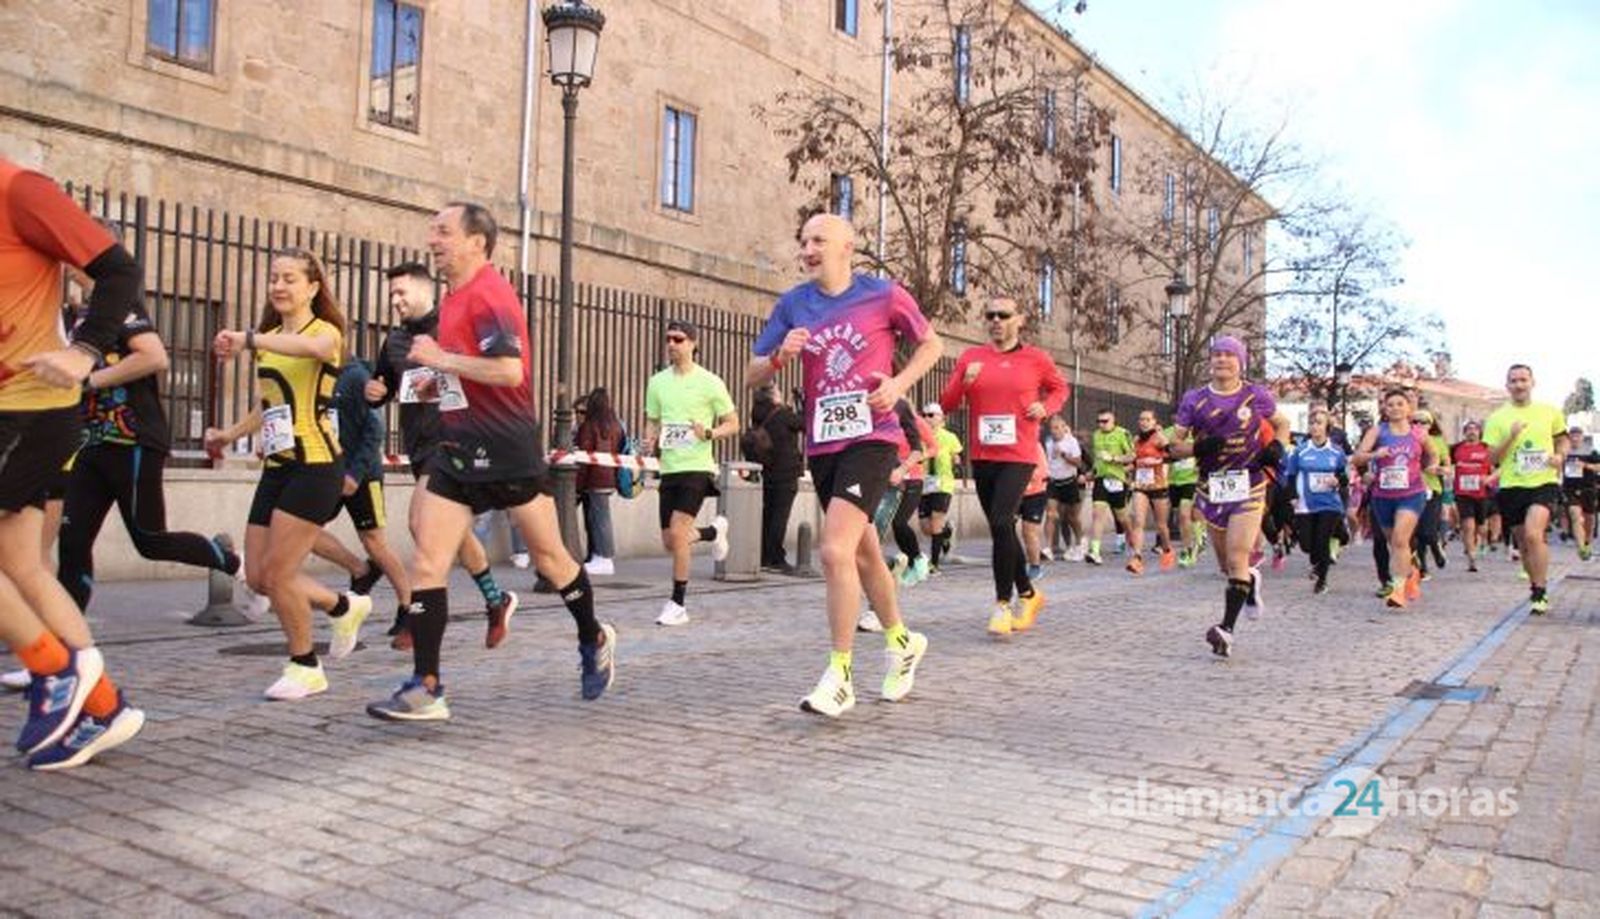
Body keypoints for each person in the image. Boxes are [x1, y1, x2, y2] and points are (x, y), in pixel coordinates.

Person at [367, 202, 615, 720]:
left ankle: (593, 637)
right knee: (428, 561)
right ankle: (427, 686)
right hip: (455, 451)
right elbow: (460, 376)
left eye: (444, 232)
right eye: (431, 231)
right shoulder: (454, 299)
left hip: (507, 451)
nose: (433, 240)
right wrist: (430, 378)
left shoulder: (490, 294)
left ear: (477, 241)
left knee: (551, 559)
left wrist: (440, 359)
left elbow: (508, 371)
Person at [747, 212, 939, 718]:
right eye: (804, 240)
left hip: (874, 438)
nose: (808, 249)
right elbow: (751, 373)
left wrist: (899, 385)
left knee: (833, 551)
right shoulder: (793, 304)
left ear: (847, 247)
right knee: (863, 556)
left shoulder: (882, 294)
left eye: (819, 240)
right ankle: (902, 642)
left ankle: (841, 676)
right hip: (825, 444)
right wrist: (777, 359)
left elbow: (932, 343)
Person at [0, 157, 147, 770]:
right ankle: (104, 704)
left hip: (30, 408)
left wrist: (85, 351)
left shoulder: (19, 190)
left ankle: (54, 670)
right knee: (22, 567)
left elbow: (119, 271)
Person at [207, 248, 374, 699]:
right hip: (277, 468)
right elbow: (269, 404)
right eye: (274, 278)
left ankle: (305, 666)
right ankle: (342, 605)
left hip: (316, 466)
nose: (279, 286)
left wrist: (249, 339)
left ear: (313, 288)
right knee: (259, 576)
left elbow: (313, 350)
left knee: (280, 575)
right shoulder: (270, 336)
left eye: (290, 279)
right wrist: (229, 434)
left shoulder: (326, 333)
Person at [56, 256, 242, 612]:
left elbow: (154, 357)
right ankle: (70, 645)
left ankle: (235, 564)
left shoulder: (120, 303)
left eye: (73, 250)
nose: (65, 260)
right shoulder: (78, 313)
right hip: (90, 442)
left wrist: (89, 381)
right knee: (73, 541)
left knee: (150, 540)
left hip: (132, 440)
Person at [366, 261, 517, 649]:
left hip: (454, 442)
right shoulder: (395, 342)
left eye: (401, 293)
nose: (396, 301)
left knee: (421, 523)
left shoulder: (452, 327)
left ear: (424, 289)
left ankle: (421, 621)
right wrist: (375, 393)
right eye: (392, 295)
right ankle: (495, 599)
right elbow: (383, 384)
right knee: (451, 532)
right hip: (419, 449)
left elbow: (491, 373)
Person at [939, 296, 1068, 636]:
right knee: (1002, 530)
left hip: (1019, 454)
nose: (996, 320)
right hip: (983, 456)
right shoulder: (971, 357)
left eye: (1003, 315)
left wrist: (1046, 406)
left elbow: (1059, 388)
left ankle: (1001, 605)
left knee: (1000, 521)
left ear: (1018, 320)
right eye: (990, 314)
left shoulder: (1035, 358)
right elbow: (947, 403)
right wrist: (964, 381)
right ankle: (1029, 593)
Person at [1169, 336, 1290, 658]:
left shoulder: (1255, 395)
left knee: (1238, 555)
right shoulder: (1194, 400)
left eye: (1229, 355)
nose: (1223, 360)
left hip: (1249, 484)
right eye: (1217, 355)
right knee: (1228, 565)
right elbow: (1174, 446)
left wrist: (1277, 446)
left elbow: (1282, 423)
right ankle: (1250, 581)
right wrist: (1198, 447)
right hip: (1212, 487)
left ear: (1241, 362)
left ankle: (1226, 630)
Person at [643, 319, 736, 627]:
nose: (671, 344)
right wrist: (649, 438)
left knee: (679, 531)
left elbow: (733, 423)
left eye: (678, 339)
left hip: (697, 467)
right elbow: (652, 421)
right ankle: (713, 532)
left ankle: (677, 603)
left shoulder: (711, 382)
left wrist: (709, 432)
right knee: (671, 541)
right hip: (669, 468)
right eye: (668, 338)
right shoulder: (657, 382)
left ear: (694, 343)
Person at [309, 359, 411, 616]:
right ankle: (360, 570)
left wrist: (355, 474)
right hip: (328, 473)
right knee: (305, 532)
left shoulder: (355, 376)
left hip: (364, 475)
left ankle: (408, 606)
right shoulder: (315, 376)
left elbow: (375, 430)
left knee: (375, 543)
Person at [1483, 364, 1568, 615]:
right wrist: (1511, 436)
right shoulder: (1497, 418)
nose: (1519, 385)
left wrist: (1560, 455)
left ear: (1532, 382)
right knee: (1523, 542)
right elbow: (1491, 457)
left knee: (1534, 534)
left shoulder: (1549, 411)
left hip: (1543, 481)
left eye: (1523, 380)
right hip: (1512, 485)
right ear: (1507, 385)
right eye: (1513, 381)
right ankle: (1535, 585)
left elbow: (1561, 439)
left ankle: (1541, 591)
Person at [1352, 389, 1437, 610]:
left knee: (1400, 539)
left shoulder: (1419, 433)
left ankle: (1397, 590)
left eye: (1400, 404)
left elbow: (1433, 455)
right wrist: (1374, 455)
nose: (1396, 408)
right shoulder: (1377, 431)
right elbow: (1357, 457)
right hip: (1383, 496)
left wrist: (1433, 467)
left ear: (1409, 408)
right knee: (1395, 544)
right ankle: (1411, 573)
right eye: (1391, 405)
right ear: (1384, 409)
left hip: (1411, 494)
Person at [1286, 408, 1347, 593]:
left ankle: (1322, 580)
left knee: (1322, 540)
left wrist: (1338, 480)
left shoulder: (1336, 451)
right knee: (1307, 544)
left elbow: (1344, 476)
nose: (1314, 427)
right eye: (1312, 423)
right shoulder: (1301, 450)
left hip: (1329, 502)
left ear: (1327, 426)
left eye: (1319, 423)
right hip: (1306, 502)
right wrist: (1293, 497)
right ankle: (1317, 562)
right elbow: (1291, 475)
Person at [749, 385, 803, 573]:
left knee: (768, 514)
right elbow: (804, 424)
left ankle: (764, 557)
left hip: (767, 471)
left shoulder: (757, 414)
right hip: (786, 472)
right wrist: (796, 405)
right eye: (779, 392)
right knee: (780, 516)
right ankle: (776, 559)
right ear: (773, 396)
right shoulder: (782, 415)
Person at [888, 399, 938, 586]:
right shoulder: (887, 419)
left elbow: (933, 448)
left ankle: (918, 559)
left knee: (900, 522)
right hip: (892, 477)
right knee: (892, 524)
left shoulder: (917, 421)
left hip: (913, 478)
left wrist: (916, 458)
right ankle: (911, 563)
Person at [575, 387, 624, 575]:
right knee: (600, 518)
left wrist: (578, 485)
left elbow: (584, 458)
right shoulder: (615, 425)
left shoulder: (589, 426)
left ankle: (604, 557)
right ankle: (600, 556)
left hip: (593, 479)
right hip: (609, 477)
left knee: (599, 519)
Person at [917, 403, 964, 573]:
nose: (927, 418)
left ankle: (934, 564)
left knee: (936, 520)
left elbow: (957, 455)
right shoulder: (919, 436)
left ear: (941, 418)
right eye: (924, 415)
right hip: (924, 483)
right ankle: (946, 532)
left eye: (931, 415)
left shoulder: (949, 436)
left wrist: (956, 461)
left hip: (943, 483)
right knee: (925, 527)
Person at [1127, 409, 1174, 574]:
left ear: (1154, 422)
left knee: (1161, 526)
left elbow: (1173, 455)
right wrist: (1125, 463)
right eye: (1141, 419)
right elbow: (1134, 459)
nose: (1144, 422)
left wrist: (1157, 460)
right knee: (1138, 521)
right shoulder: (1137, 439)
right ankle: (1137, 557)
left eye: (1147, 419)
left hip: (1158, 486)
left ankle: (1167, 550)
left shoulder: (1159, 438)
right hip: (1141, 485)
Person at [1085, 409, 1134, 566]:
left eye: (1105, 421)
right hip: (1101, 479)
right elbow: (1097, 459)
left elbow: (1132, 456)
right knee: (1097, 514)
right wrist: (1091, 472)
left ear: (1114, 421)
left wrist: (1113, 458)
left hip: (1117, 480)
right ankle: (1095, 551)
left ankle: (1134, 545)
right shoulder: (1096, 435)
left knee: (1123, 518)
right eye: (1099, 421)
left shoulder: (1123, 433)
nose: (1101, 424)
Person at [1413, 410, 1451, 579]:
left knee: (1427, 531)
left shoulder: (1438, 442)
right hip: (1410, 489)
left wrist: (1438, 469)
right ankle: (1423, 568)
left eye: (1424, 422)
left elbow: (1448, 467)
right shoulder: (1405, 439)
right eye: (1416, 422)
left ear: (1431, 425)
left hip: (1431, 488)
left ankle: (1435, 546)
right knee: (1416, 532)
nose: (1420, 426)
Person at [1043, 415, 1085, 561]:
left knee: (1072, 517)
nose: (1054, 431)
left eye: (1056, 428)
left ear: (1063, 427)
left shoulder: (1071, 442)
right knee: (1050, 514)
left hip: (1069, 482)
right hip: (1053, 482)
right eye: (1051, 429)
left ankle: (1080, 542)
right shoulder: (1048, 442)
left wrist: (1063, 454)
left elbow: (1079, 463)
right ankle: (1048, 548)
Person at [1452, 421, 1492, 572]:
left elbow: (1499, 466)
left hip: (1482, 492)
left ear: (1480, 432)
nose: (1472, 432)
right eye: (1468, 429)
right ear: (1464, 432)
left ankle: (1481, 542)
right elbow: (1445, 461)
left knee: (1481, 526)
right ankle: (1472, 557)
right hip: (1462, 492)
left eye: (1475, 429)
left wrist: (1490, 479)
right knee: (1468, 526)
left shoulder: (1486, 448)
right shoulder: (1456, 448)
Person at [1165, 421, 1203, 567]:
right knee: (1185, 518)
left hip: (1191, 480)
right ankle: (1198, 535)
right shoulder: (1169, 433)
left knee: (1184, 513)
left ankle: (1187, 550)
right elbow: (1163, 452)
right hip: (1174, 481)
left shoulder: (1198, 431)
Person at [1561, 426, 1597, 561]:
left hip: (1588, 488)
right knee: (1575, 516)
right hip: (1570, 489)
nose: (1575, 438)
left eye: (1578, 436)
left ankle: (1587, 542)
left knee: (1589, 518)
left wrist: (1586, 466)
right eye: (1573, 436)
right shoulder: (1564, 451)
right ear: (1569, 437)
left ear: (1582, 437)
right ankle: (1581, 547)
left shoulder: (1590, 451)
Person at [1019, 440, 1050, 581]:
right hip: (1013, 494)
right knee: (1003, 527)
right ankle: (1011, 564)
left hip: (1035, 493)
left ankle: (1035, 567)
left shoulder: (1034, 445)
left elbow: (1042, 471)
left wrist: (1016, 475)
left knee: (1028, 531)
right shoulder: (1007, 445)